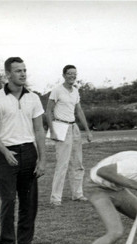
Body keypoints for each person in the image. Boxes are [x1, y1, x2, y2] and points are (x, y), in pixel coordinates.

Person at [0, 57, 46, 244]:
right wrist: (5, 151)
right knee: (9, 201)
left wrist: (42, 159)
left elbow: (39, 129)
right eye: (18, 70)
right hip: (6, 155)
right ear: (8, 74)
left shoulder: (34, 98)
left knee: (29, 202)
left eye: (24, 70)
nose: (23, 74)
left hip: (29, 152)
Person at [45, 65, 92, 207]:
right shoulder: (57, 90)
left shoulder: (76, 91)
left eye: (74, 74)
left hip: (74, 127)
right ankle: (55, 198)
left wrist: (87, 130)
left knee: (77, 163)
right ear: (64, 75)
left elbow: (79, 111)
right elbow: (48, 111)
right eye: (70, 73)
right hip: (61, 127)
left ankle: (77, 194)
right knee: (62, 164)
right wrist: (52, 130)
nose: (72, 76)